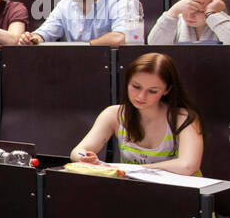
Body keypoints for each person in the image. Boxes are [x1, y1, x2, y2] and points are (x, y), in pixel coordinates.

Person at [72, 52, 203, 176]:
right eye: (136, 87)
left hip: (180, 193)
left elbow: (188, 166)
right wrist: (84, 158)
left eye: (152, 91)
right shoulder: (114, 114)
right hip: (136, 190)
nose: (141, 96)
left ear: (167, 90)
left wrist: (134, 169)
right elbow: (77, 152)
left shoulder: (183, 118)